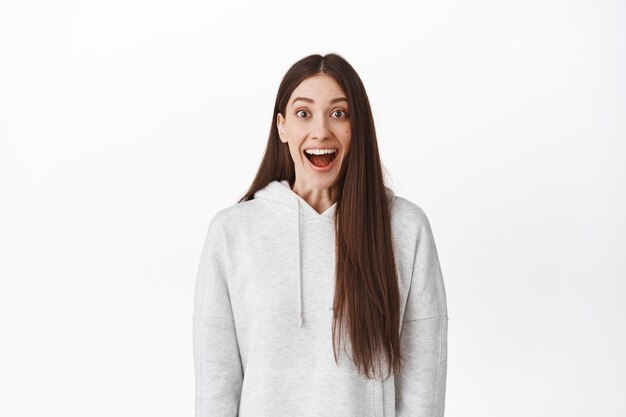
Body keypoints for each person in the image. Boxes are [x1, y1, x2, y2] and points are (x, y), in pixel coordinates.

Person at [192, 53, 449, 417]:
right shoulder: (232, 233)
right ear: (281, 127)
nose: (321, 131)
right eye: (303, 113)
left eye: (339, 113)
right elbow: (216, 384)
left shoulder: (404, 228)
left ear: (357, 126)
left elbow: (423, 384)